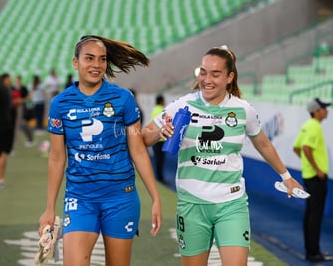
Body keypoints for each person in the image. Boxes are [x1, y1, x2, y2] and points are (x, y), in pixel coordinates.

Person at [142, 46, 303, 266]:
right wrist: (160, 133)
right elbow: (143, 136)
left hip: (232, 203)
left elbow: (263, 144)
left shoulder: (243, 110)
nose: (207, 79)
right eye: (203, 72)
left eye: (215, 74)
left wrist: (286, 176)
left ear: (230, 77)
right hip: (191, 204)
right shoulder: (183, 104)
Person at [38, 35, 162, 266]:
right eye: (89, 58)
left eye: (102, 59)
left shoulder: (123, 98)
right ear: (76, 62)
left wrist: (155, 197)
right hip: (80, 197)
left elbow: (137, 149)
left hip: (120, 198)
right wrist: (49, 208)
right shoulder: (60, 104)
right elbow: (56, 157)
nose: (96, 65)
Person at [293, 98, 333, 262]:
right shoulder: (314, 127)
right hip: (316, 178)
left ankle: (311, 251)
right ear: (316, 111)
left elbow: (297, 148)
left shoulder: (307, 126)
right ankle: (314, 253)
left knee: (310, 214)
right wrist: (317, 170)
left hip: (308, 176)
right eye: (324, 108)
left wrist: (308, 166)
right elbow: (306, 148)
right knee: (315, 215)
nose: (326, 110)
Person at [14, 75, 35, 147]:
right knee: (15, 126)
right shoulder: (13, 89)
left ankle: (30, 138)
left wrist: (22, 100)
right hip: (14, 108)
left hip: (22, 108)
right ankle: (14, 142)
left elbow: (29, 96)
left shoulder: (23, 88)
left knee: (24, 124)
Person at [150, 94, 166, 182]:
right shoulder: (162, 111)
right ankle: (160, 177)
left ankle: (157, 176)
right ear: (161, 101)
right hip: (160, 138)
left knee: (156, 158)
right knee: (160, 159)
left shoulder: (154, 110)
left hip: (154, 137)